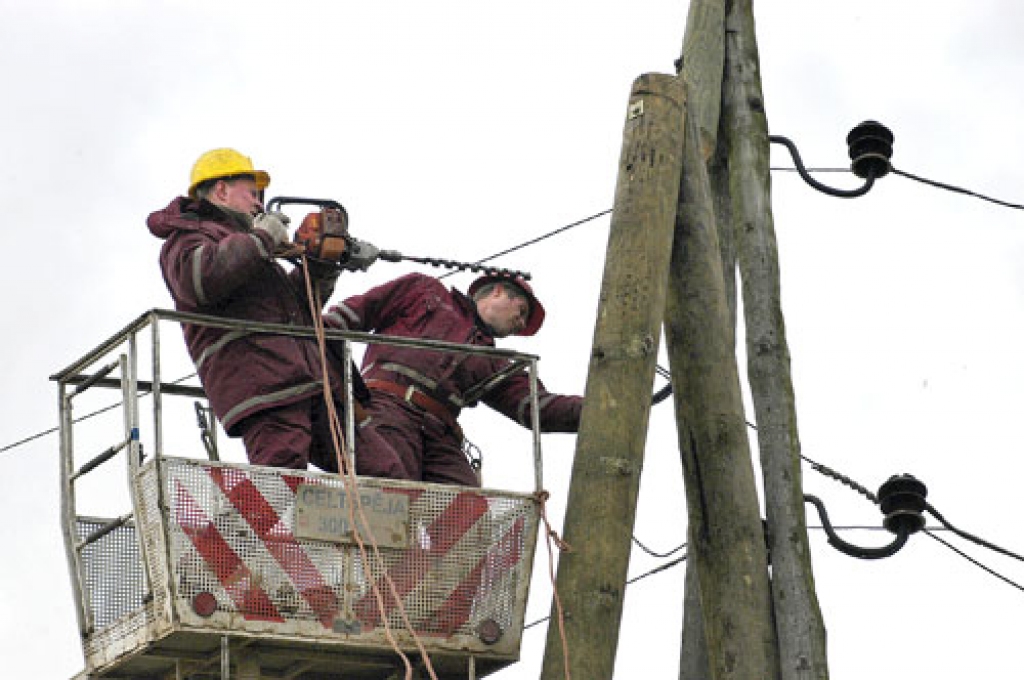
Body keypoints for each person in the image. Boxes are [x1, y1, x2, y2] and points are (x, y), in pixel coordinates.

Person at [147, 148, 367, 472]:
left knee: (378, 466)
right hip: (264, 384)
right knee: (279, 478)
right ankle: (238, 526)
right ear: (221, 190)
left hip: (307, 380)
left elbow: (299, 311)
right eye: (252, 193)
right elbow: (201, 280)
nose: (260, 204)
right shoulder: (187, 238)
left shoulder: (248, 247)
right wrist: (262, 237)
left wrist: (323, 266)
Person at [324, 271, 582, 487]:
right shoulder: (425, 292)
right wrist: (312, 342)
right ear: (499, 292)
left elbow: (538, 408)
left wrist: (601, 410)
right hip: (388, 410)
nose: (520, 322)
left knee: (468, 515)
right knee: (390, 484)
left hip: (439, 432)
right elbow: (353, 313)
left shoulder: (496, 362)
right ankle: (383, 545)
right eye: (522, 310)